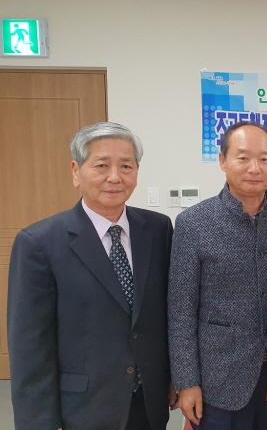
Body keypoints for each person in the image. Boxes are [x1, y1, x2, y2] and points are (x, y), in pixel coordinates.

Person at [8, 122, 175, 430]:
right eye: (101, 165)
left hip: (147, 405)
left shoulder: (158, 229)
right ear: (76, 171)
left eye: (126, 166)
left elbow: (164, 314)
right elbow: (30, 347)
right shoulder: (39, 243)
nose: (115, 177)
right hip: (81, 410)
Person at [168, 122, 267, 430]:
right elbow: (180, 310)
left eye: (265, 159)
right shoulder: (193, 223)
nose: (255, 168)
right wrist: (187, 381)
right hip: (217, 380)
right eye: (243, 158)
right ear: (222, 161)